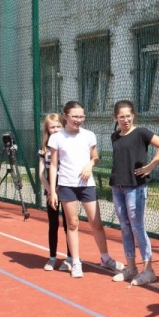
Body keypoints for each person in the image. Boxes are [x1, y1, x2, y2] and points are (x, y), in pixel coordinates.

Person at [48, 100, 124, 279]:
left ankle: (105, 258)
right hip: (66, 185)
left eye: (82, 116)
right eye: (75, 116)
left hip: (87, 185)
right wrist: (52, 191)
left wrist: (90, 164)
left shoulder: (89, 135)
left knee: (96, 223)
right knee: (72, 224)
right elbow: (53, 165)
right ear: (65, 116)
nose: (79, 120)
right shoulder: (56, 138)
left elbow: (95, 157)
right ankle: (75, 261)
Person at [109, 100, 159, 286]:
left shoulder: (141, 133)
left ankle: (148, 270)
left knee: (137, 227)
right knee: (125, 227)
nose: (125, 120)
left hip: (135, 187)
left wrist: (151, 166)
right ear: (116, 118)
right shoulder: (115, 136)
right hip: (117, 186)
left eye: (128, 116)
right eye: (121, 117)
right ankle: (131, 268)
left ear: (133, 115)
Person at [38, 113, 72, 271]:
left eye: (58, 126)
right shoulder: (44, 149)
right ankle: (52, 257)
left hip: (66, 188)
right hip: (51, 191)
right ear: (47, 129)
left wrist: (58, 190)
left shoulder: (67, 145)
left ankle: (70, 258)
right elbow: (41, 174)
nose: (56, 129)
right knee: (53, 224)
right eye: (52, 127)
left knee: (68, 224)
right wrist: (50, 192)